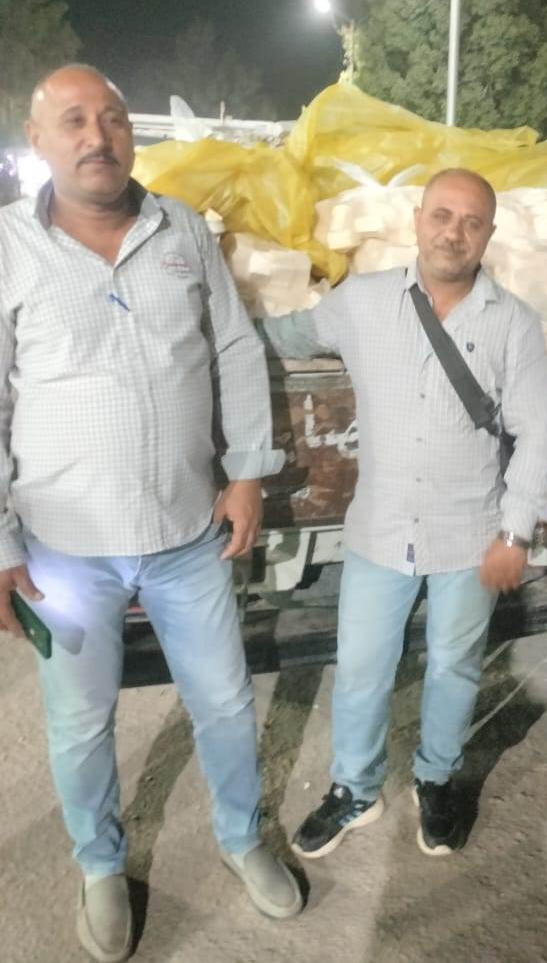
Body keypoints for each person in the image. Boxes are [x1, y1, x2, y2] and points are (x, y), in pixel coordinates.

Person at [0, 65, 301, 963]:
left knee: (225, 704)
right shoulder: (8, 247)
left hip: (186, 536)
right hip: (65, 551)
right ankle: (100, 865)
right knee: (79, 723)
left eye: (114, 118)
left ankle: (241, 837)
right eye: (73, 120)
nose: (98, 136)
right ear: (38, 139)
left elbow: (235, 350)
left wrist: (246, 473)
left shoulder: (181, 229)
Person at [262, 168, 547, 858]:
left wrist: (515, 531)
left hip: (471, 534)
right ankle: (355, 790)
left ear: (488, 233)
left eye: (471, 221)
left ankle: (436, 778)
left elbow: (537, 434)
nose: (454, 232)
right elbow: (284, 336)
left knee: (455, 667)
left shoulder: (513, 324)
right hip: (381, 530)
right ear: (418, 219)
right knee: (361, 667)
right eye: (442, 216)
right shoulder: (361, 302)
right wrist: (203, 333)